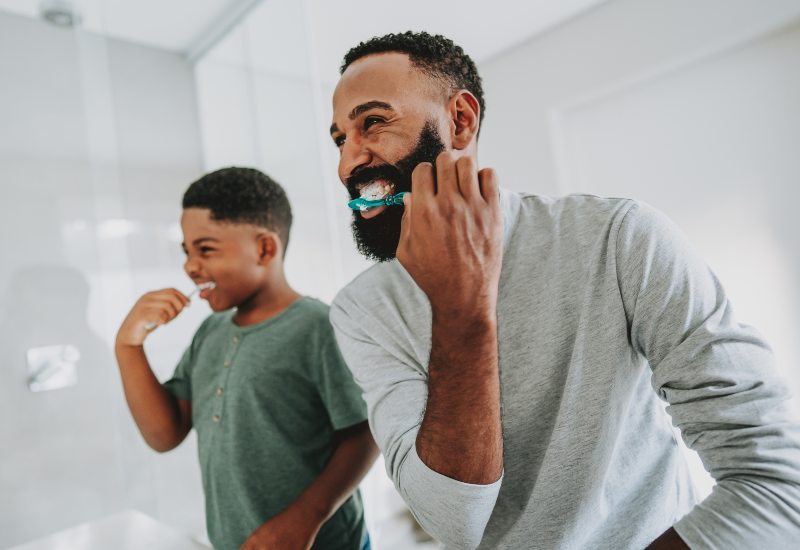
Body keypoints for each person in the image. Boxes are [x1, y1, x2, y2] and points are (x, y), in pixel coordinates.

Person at [327, 31, 800, 549]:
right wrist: (460, 307)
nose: (347, 164)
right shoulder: (360, 309)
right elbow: (453, 524)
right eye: (339, 140)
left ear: (460, 122)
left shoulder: (620, 238)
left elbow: (776, 486)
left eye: (372, 123)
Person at [115, 167, 378, 550]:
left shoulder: (318, 327)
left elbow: (364, 434)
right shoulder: (210, 331)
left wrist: (304, 517)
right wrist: (128, 345)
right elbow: (164, 434)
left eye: (205, 249)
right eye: (186, 251)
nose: (190, 265)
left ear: (264, 249)